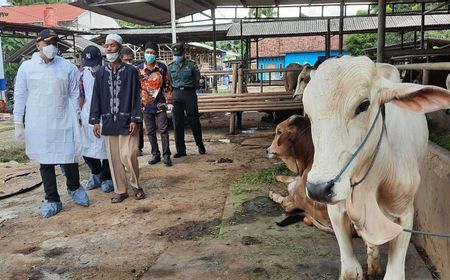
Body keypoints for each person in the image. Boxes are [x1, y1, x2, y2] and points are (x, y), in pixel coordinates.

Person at [13, 29, 89, 218]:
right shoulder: (27, 68)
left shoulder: (67, 67)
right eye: (47, 44)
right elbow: (20, 95)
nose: (51, 47)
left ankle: (74, 187)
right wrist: (17, 122)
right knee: (46, 161)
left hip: (64, 119)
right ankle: (52, 198)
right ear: (37, 45)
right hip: (39, 123)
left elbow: (73, 94)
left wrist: (78, 116)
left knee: (69, 156)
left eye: (54, 43)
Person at [89, 34, 145, 203]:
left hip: (127, 121)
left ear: (119, 48)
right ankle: (121, 190)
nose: (109, 49)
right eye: (107, 46)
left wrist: (135, 119)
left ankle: (136, 185)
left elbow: (136, 96)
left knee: (129, 154)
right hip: (108, 121)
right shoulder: (100, 74)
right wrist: (95, 121)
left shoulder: (131, 71)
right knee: (113, 159)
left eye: (112, 46)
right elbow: (96, 97)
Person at [79, 45, 114, 193]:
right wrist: (79, 114)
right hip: (87, 115)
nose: (92, 68)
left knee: (106, 149)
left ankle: (107, 176)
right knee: (87, 148)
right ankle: (96, 172)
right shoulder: (81, 74)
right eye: (89, 65)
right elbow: (81, 95)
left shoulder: (110, 71)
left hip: (106, 115)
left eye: (94, 64)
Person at [137, 42, 172, 166]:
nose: (150, 55)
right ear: (144, 53)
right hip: (145, 105)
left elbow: (167, 85)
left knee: (163, 130)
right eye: (148, 52)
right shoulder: (139, 69)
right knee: (150, 131)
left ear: (156, 54)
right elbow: (137, 88)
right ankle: (155, 154)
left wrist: (168, 99)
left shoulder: (162, 68)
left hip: (160, 104)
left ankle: (166, 155)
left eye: (152, 53)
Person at [168, 42, 205, 158]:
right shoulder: (171, 66)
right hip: (176, 94)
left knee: (194, 120)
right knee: (177, 122)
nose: (177, 56)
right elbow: (169, 83)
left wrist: (192, 88)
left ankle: (200, 146)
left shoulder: (191, 65)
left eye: (178, 54)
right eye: (175, 54)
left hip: (189, 93)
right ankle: (181, 150)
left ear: (183, 53)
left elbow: (197, 81)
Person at [120, 46, 144, 155]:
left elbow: (140, 86)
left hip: (135, 102)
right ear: (121, 59)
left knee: (137, 125)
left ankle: (139, 147)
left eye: (130, 59)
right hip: (122, 104)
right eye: (126, 60)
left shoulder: (136, 70)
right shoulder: (118, 71)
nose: (128, 62)